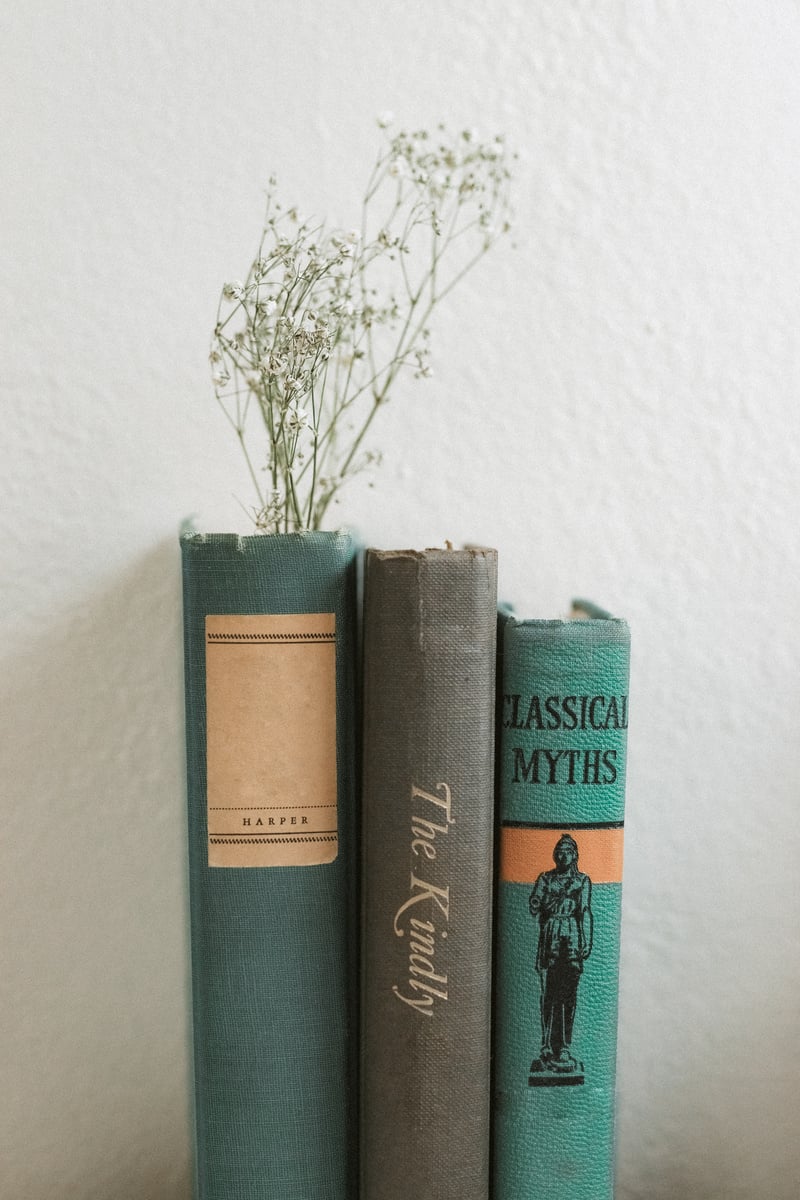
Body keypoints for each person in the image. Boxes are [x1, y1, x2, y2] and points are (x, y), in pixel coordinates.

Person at [529, 834, 593, 1074]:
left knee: (568, 996)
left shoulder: (582, 881)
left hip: (572, 937)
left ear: (574, 854)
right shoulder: (546, 879)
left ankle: (564, 1047)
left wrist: (587, 938)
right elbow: (535, 904)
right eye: (559, 850)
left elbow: (585, 910)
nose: (562, 855)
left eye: (567, 851)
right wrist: (538, 902)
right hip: (551, 936)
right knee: (548, 994)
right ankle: (546, 1045)